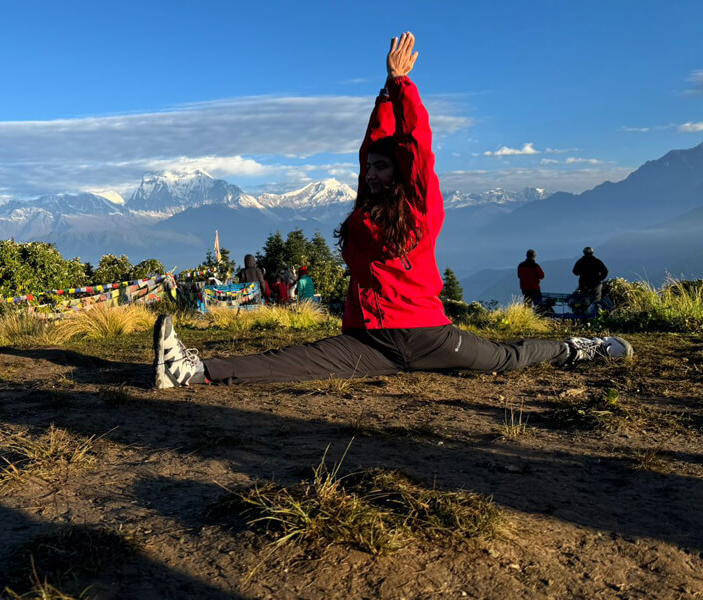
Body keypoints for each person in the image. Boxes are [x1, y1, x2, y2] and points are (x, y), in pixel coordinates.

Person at [153, 32, 632, 388]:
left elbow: (417, 144)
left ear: (402, 175)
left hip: (429, 335)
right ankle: (189, 372)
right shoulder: (364, 213)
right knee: (294, 360)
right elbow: (370, 148)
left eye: (385, 169)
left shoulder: (423, 208)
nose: (375, 175)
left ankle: (580, 348)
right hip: (369, 339)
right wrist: (383, 92)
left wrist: (401, 85)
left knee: (506, 357)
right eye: (371, 170)